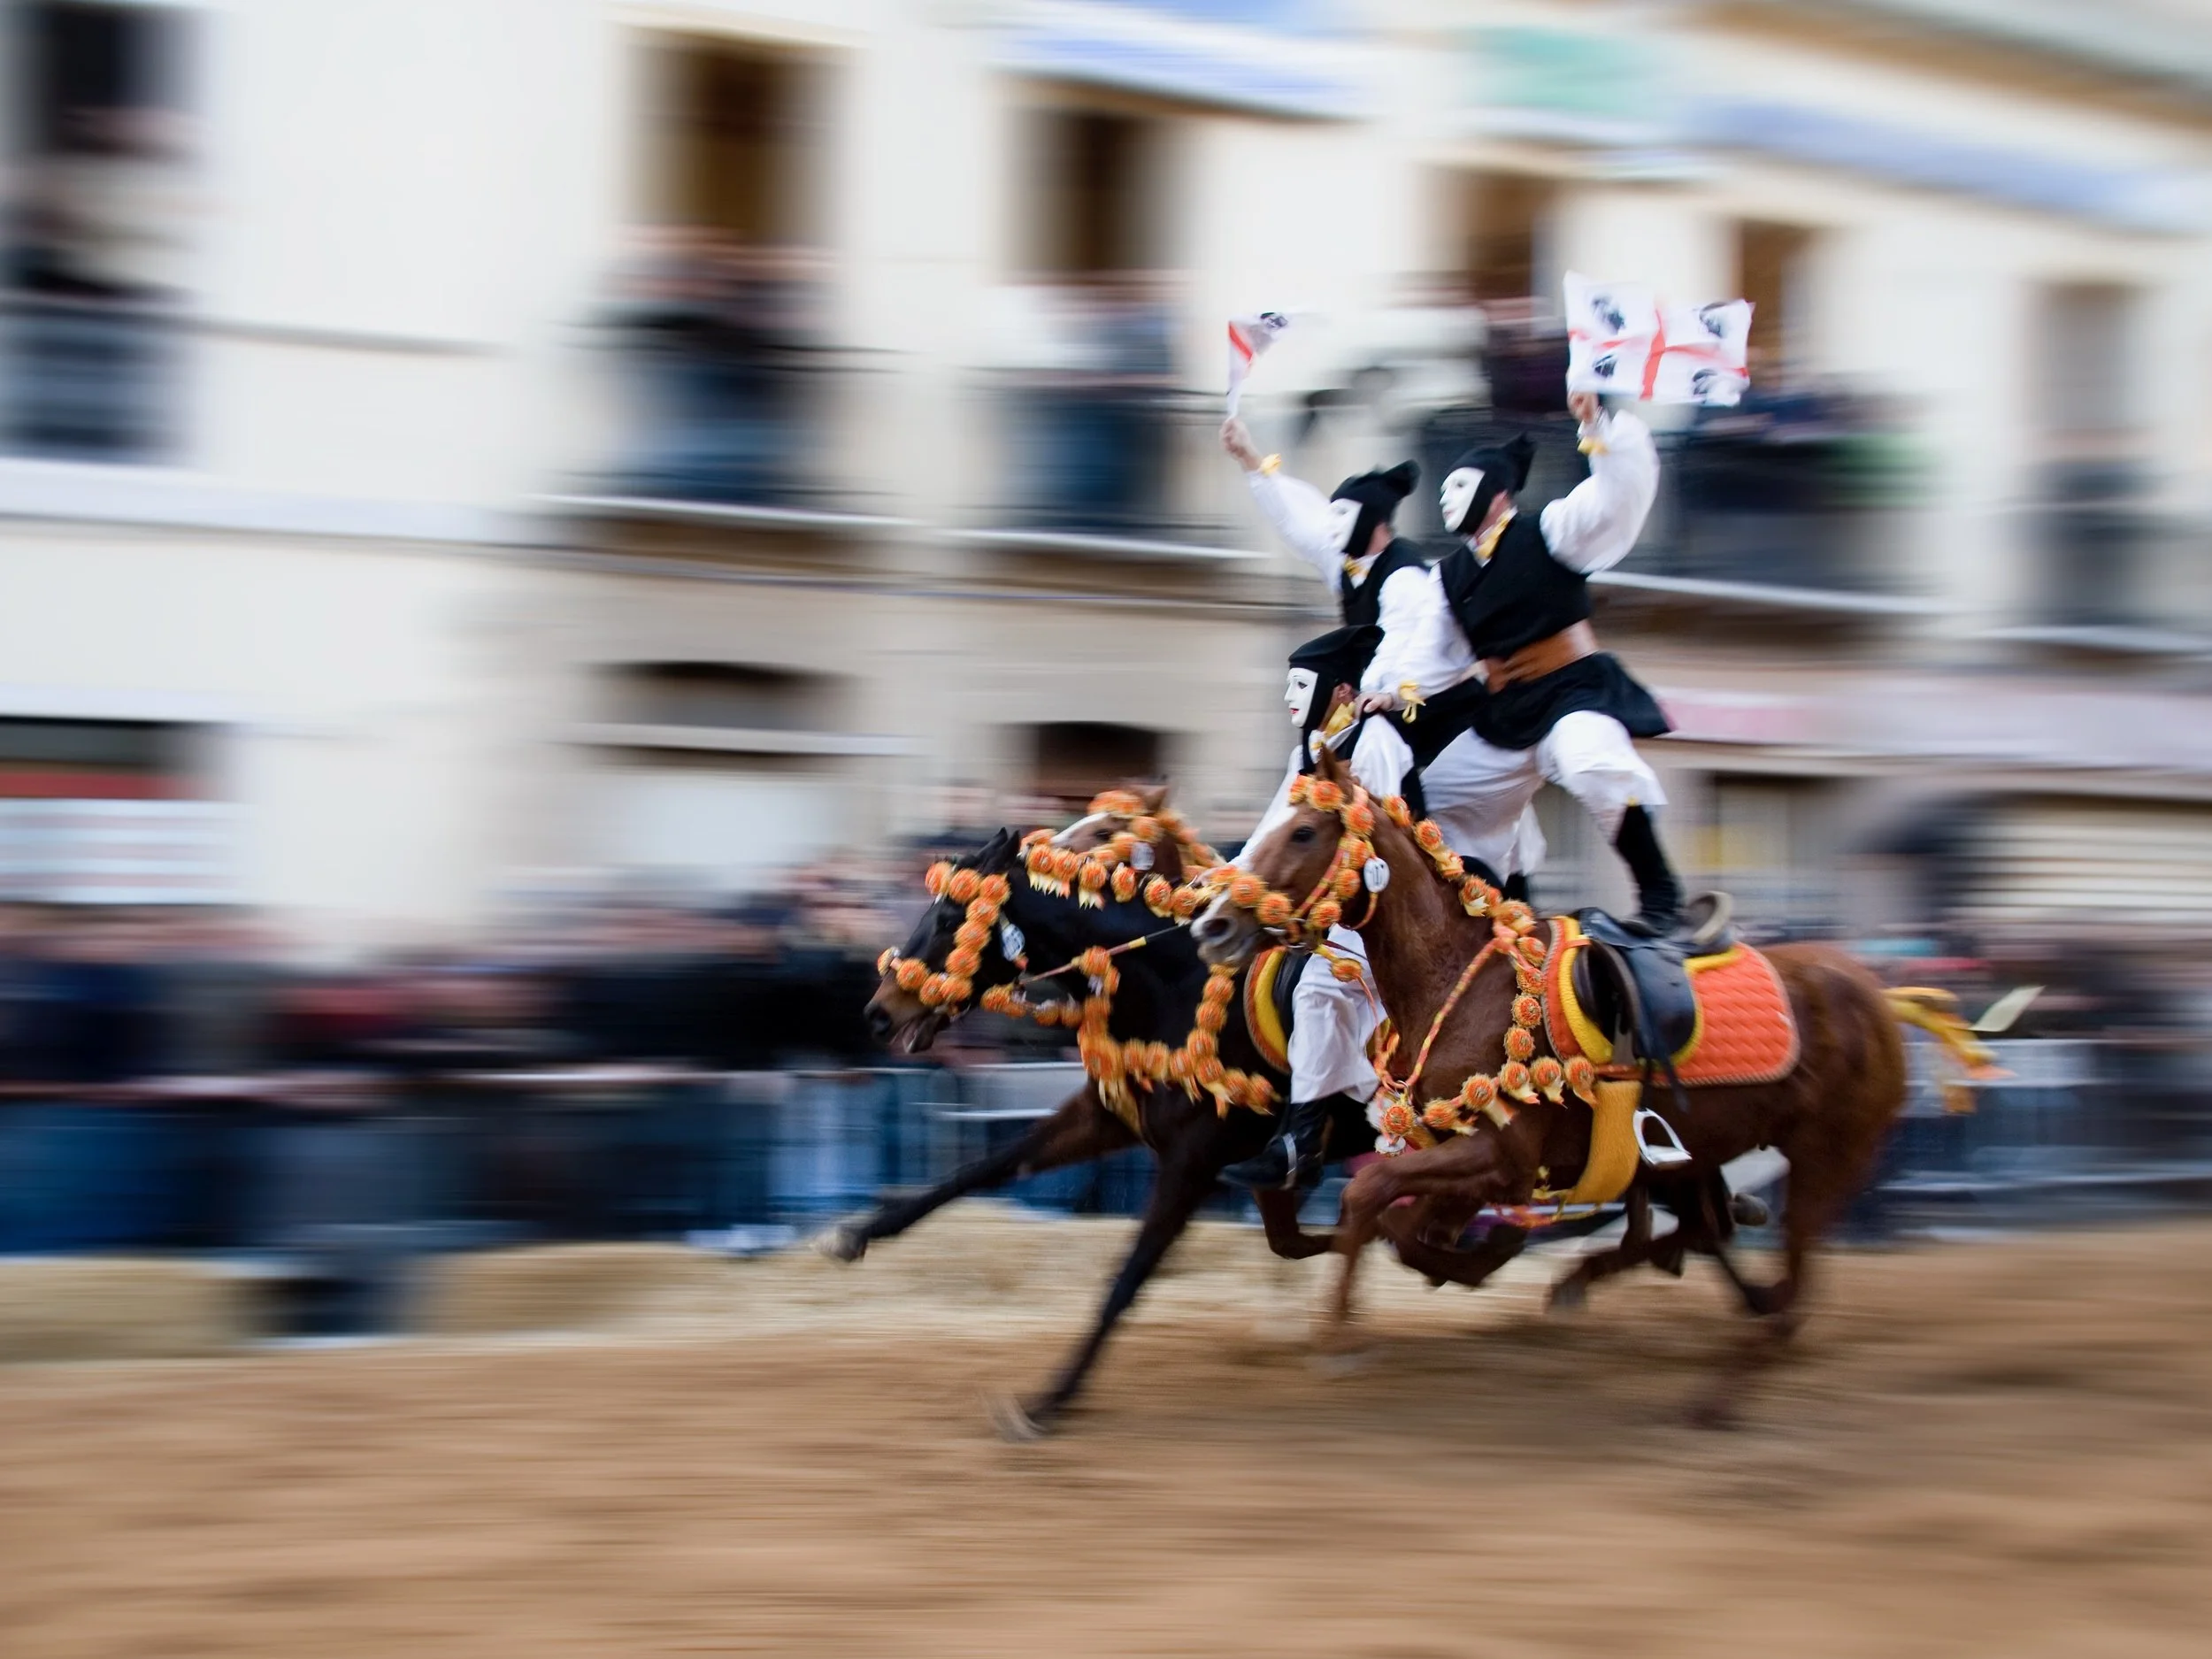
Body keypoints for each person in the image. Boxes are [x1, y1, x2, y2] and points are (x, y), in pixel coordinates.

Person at [1363, 388, 1680, 935]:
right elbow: (1430, 653)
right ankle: (1503, 915)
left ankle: (1663, 902)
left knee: (1590, 762)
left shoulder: (1551, 530)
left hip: (1572, 692)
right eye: (1442, 490)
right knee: (1436, 798)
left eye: (1458, 485)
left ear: (1498, 492)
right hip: (1507, 712)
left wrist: (1601, 429)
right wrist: (1393, 692)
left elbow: (1612, 501)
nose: (1445, 497)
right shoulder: (1450, 575)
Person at [1214, 423, 1432, 1190]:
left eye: (1347, 523)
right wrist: (1256, 462)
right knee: (1310, 983)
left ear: (1375, 525)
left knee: (1327, 982)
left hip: (1404, 755)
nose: (1332, 536)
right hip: (1361, 741)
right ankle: (1303, 1142)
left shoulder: (1406, 581)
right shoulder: (1351, 561)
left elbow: (1414, 639)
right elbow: (1305, 521)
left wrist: (1389, 692)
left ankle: (1405, 1130)